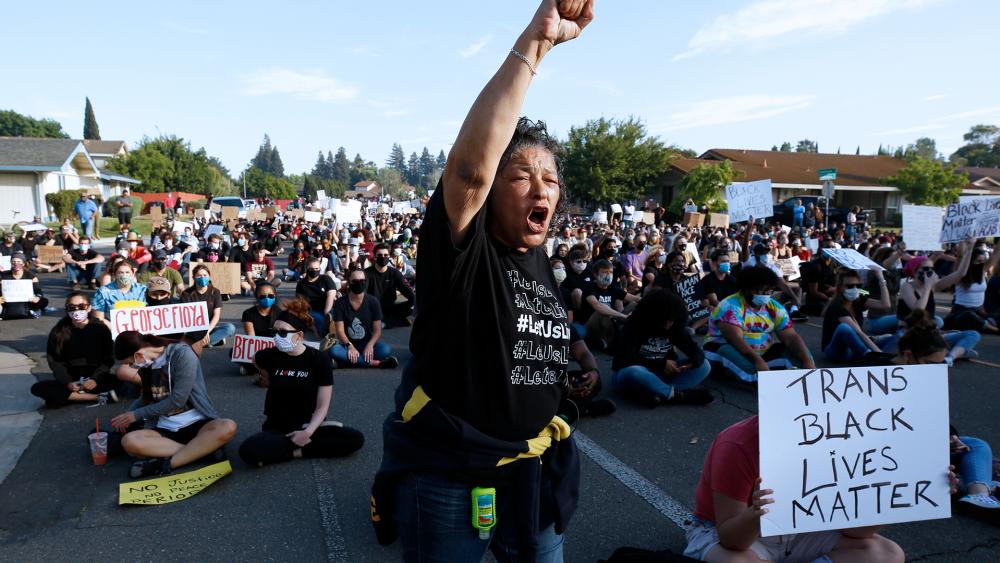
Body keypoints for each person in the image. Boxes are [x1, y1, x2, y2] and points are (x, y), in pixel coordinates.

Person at [372, 3, 593, 560]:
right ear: (492, 191)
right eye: (520, 176)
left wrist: (577, 373)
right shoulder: (465, 252)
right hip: (450, 474)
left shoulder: (542, 261)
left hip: (532, 474)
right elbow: (470, 170)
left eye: (549, 179)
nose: (540, 189)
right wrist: (535, 46)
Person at [684, 414, 914, 562]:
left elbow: (858, 533)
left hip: (800, 530)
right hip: (733, 533)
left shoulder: (840, 440)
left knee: (889, 554)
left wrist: (885, 498)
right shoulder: (738, 444)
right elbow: (732, 539)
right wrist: (756, 512)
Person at [239, 300, 364, 467]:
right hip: (277, 427)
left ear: (299, 335)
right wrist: (265, 376)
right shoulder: (270, 355)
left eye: (283, 332)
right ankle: (298, 448)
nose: (277, 336)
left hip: (309, 424)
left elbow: (322, 406)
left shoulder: (319, 359)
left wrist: (308, 432)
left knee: (355, 439)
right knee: (248, 450)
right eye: (274, 331)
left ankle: (294, 450)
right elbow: (255, 359)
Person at [110, 331, 237, 478]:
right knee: (129, 442)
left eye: (129, 363)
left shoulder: (182, 354)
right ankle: (203, 451)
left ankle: (166, 464)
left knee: (228, 426)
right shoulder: (147, 365)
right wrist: (127, 416)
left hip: (198, 423)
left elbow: (178, 400)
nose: (131, 367)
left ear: (138, 355)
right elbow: (146, 396)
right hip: (165, 428)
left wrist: (136, 415)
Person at [703, 266, 815, 383]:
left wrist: (807, 361)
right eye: (759, 290)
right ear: (746, 289)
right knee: (746, 367)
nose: (765, 294)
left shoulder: (775, 307)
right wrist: (758, 361)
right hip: (725, 348)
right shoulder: (731, 306)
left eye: (768, 290)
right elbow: (734, 338)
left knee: (801, 358)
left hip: (761, 352)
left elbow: (791, 337)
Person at [612, 289, 713, 408]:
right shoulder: (633, 326)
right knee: (635, 371)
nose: (668, 324)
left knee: (704, 365)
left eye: (671, 320)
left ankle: (660, 393)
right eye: (664, 320)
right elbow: (625, 360)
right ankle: (679, 395)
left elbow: (695, 351)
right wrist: (661, 364)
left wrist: (693, 362)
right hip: (631, 375)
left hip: (660, 374)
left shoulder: (675, 327)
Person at [30, 292, 118, 407]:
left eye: (81, 307)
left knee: (120, 382)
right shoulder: (58, 331)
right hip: (72, 380)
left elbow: (108, 358)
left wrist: (95, 379)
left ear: (89, 307)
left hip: (96, 378)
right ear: (67, 309)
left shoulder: (100, 328)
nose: (76, 311)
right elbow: (55, 361)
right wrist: (68, 382)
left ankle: (70, 398)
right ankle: (97, 397)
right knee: (38, 388)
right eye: (72, 307)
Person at [329, 266, 398, 369]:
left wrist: (370, 345)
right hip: (347, 344)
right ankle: (376, 363)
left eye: (362, 280)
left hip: (367, 343)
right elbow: (340, 331)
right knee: (334, 351)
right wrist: (350, 346)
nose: (359, 283)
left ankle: (343, 363)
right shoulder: (340, 303)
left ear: (366, 282)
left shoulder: (373, 301)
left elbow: (377, 331)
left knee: (385, 349)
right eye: (355, 281)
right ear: (349, 282)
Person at [820, 267, 893, 363]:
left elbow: (885, 305)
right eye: (850, 286)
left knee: (893, 338)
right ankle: (870, 356)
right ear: (841, 287)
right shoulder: (836, 306)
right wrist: (878, 354)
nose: (855, 289)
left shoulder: (858, 300)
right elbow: (859, 332)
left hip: (854, 347)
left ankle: (888, 357)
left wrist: (881, 278)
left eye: (858, 286)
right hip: (836, 351)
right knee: (844, 328)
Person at [577, 258, 639, 351]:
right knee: (602, 311)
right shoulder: (589, 288)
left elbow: (634, 298)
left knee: (635, 304)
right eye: (605, 272)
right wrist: (623, 316)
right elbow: (597, 306)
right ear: (595, 274)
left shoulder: (613, 288)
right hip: (591, 327)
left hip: (610, 323)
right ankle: (610, 342)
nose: (609, 275)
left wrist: (651, 300)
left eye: (610, 272)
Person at [180, 264, 236, 356]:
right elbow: (185, 317)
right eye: (199, 275)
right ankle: (208, 342)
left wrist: (207, 331)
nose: (202, 278)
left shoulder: (215, 292)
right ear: (193, 277)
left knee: (230, 328)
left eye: (205, 275)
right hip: (193, 329)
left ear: (209, 276)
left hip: (209, 328)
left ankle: (200, 343)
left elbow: (216, 316)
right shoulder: (186, 294)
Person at [944, 243, 1000, 333]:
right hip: (961, 312)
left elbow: (995, 254)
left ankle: (985, 324)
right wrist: (964, 242)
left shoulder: (982, 271)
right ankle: (994, 329)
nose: (981, 264)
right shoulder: (960, 273)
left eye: (983, 261)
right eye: (978, 261)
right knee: (968, 316)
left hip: (979, 312)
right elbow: (960, 256)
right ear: (970, 261)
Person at [365, 243, 415, 328]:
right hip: (372, 309)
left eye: (385, 255)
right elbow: (362, 294)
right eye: (380, 255)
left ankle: (385, 323)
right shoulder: (367, 273)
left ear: (389, 256)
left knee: (414, 303)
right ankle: (392, 322)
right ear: (375, 257)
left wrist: (414, 300)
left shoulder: (394, 273)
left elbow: (407, 291)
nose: (383, 257)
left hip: (390, 307)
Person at [295, 256, 337, 337]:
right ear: (307, 268)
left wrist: (326, 312)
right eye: (311, 269)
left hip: (329, 308)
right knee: (319, 320)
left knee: (334, 316)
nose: (314, 271)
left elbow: (331, 296)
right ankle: (324, 331)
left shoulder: (326, 279)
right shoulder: (301, 284)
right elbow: (300, 302)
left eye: (317, 268)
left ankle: (328, 329)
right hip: (313, 310)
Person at [0, 253, 49, 319]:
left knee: (44, 301)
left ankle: (32, 310)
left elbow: (38, 292)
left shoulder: (31, 276)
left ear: (23, 263)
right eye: (13, 262)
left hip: (26, 300)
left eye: (19, 262)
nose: (16, 264)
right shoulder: (4, 275)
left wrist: (37, 297)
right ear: (10, 263)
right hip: (8, 300)